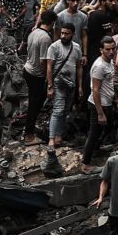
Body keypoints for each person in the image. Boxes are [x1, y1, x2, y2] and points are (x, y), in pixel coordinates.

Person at [43, 21, 83, 174]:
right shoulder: (54, 47)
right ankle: (52, 139)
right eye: (62, 33)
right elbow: (49, 67)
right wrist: (50, 86)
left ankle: (59, 135)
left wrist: (79, 86)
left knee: (66, 110)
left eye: (67, 33)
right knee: (58, 110)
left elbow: (79, 67)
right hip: (58, 83)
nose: (64, 36)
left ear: (73, 34)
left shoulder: (77, 48)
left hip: (71, 84)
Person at [83, 38, 118, 166]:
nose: (111, 52)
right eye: (108, 49)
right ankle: (85, 164)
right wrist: (100, 113)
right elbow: (95, 90)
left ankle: (96, 148)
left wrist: (115, 98)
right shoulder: (99, 66)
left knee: (108, 126)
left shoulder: (109, 62)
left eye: (113, 49)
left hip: (107, 102)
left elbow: (108, 83)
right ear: (101, 50)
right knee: (94, 133)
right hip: (98, 104)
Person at [21, 11, 53, 143]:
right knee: (35, 105)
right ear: (52, 23)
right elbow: (43, 61)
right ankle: (29, 135)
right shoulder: (45, 38)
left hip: (28, 69)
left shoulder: (33, 32)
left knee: (32, 103)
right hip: (36, 75)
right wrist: (47, 78)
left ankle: (28, 129)